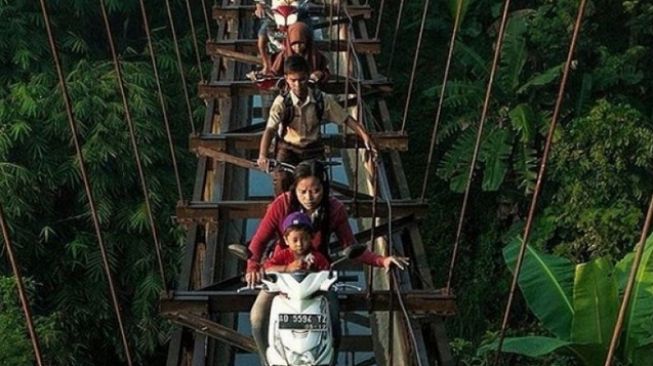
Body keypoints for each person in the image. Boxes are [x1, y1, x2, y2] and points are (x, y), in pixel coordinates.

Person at [247, 160, 409, 365]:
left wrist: (381, 260)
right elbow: (259, 241)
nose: (309, 197)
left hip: (318, 273)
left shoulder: (335, 209)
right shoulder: (282, 205)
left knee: (334, 321)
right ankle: (266, 360)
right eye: (303, 191)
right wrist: (252, 266)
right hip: (282, 272)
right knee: (257, 317)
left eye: (315, 190)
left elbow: (350, 245)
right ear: (294, 188)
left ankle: (329, 361)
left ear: (324, 187)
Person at [257, 55, 378, 195]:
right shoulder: (282, 102)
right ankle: (281, 211)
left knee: (320, 187)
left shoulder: (321, 99)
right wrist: (262, 155)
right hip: (288, 150)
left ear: (308, 76)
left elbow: (346, 119)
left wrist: (365, 136)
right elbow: (270, 129)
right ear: (286, 79)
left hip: (312, 149)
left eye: (302, 79)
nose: (297, 85)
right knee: (281, 181)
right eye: (293, 80)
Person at [263, 211, 331, 272]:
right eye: (295, 240)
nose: (299, 244)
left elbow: (327, 272)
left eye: (304, 239)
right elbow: (267, 268)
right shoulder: (283, 255)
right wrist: (287, 268)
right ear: (286, 240)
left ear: (311, 237)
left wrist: (313, 270)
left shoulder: (318, 258)